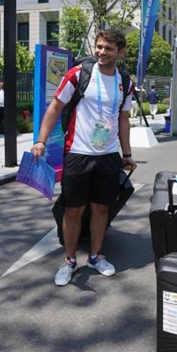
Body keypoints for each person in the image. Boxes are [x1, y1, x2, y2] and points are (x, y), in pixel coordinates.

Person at [31, 29, 137, 286]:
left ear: (120, 52)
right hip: (78, 153)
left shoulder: (125, 81)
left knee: (102, 208)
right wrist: (41, 141)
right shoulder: (78, 75)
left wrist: (127, 153)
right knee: (74, 210)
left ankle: (95, 255)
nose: (102, 52)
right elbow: (55, 107)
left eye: (109, 48)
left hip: (108, 155)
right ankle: (69, 260)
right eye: (99, 47)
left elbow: (123, 119)